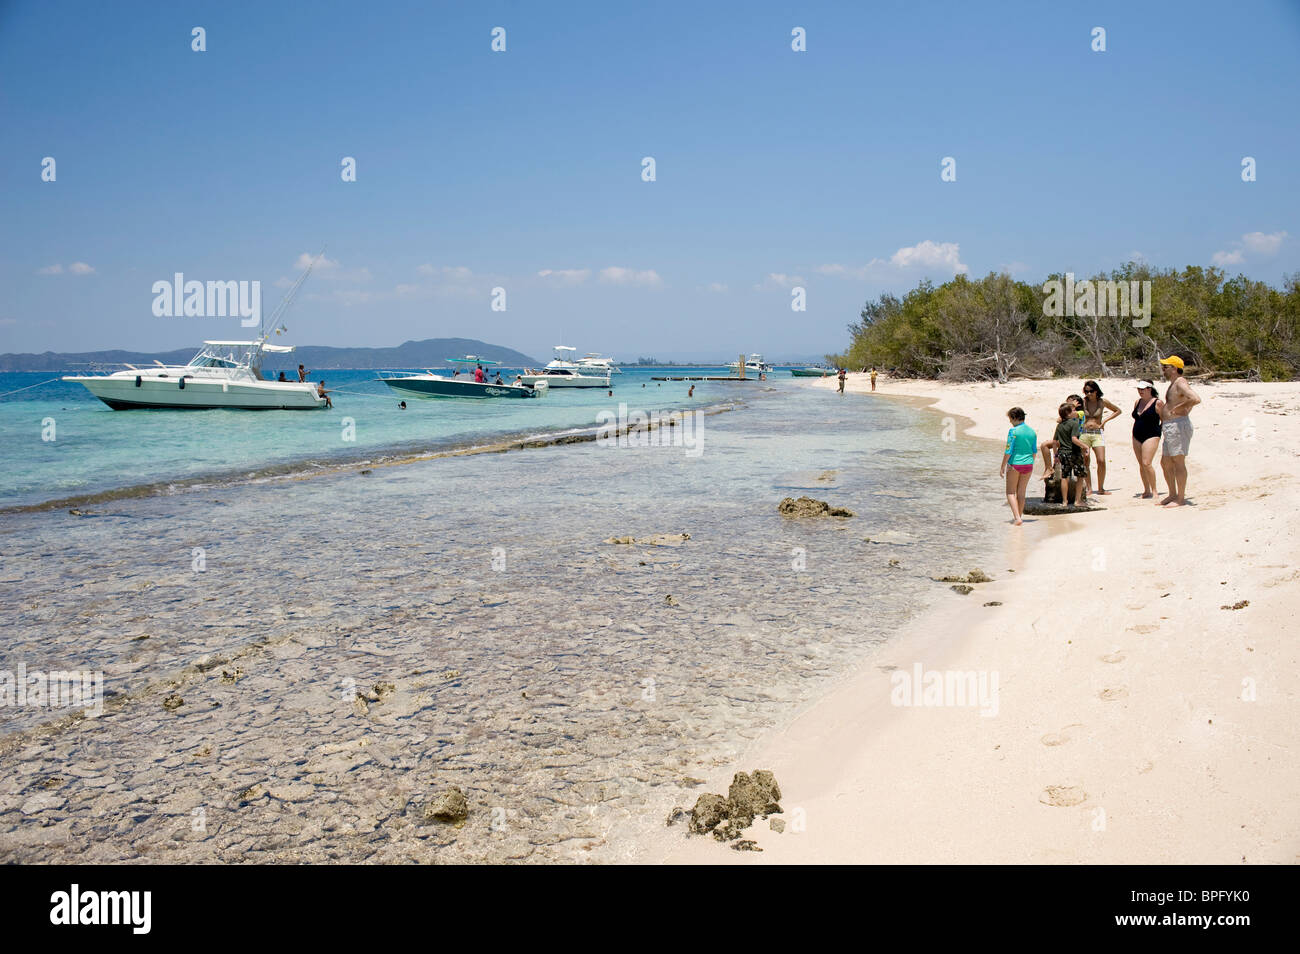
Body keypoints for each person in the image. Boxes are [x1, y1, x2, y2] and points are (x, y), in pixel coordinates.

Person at [1156, 356, 1200, 507]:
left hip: (1177, 426)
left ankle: (1180, 498)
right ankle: (1172, 494)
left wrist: (1180, 408)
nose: (1163, 369)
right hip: (1170, 426)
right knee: (1165, 462)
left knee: (1178, 462)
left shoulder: (1180, 382)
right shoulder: (1174, 384)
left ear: (1174, 368)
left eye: (1165, 367)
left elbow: (1195, 398)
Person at [1078, 381, 1122, 495]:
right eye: (1086, 391)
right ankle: (1089, 488)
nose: (1089, 394)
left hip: (1097, 433)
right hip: (1084, 433)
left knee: (1101, 460)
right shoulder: (1083, 401)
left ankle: (1101, 488)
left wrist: (1105, 421)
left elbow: (1118, 411)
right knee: (1085, 460)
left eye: (1091, 391)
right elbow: (1070, 410)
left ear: (1096, 391)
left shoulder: (1102, 402)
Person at [1040, 403, 1088, 505]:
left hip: (1062, 454)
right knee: (1080, 476)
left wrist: (1056, 455)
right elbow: (1074, 439)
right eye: (1073, 411)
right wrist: (1085, 446)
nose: (1075, 412)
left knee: (1064, 477)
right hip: (1074, 453)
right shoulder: (1074, 423)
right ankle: (1077, 501)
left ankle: (1064, 501)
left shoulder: (1060, 425)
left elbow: (1054, 442)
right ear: (1068, 413)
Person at [1001, 407, 1037, 526]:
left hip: (1015, 464)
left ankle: (1017, 518)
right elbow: (1034, 451)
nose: (1010, 421)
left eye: (1010, 419)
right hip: (1029, 464)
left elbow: (1008, 450)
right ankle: (1019, 516)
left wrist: (1002, 466)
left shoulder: (1013, 431)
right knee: (1021, 493)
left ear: (1015, 418)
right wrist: (1030, 462)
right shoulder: (1032, 431)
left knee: (1010, 493)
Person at [1130, 380, 1162, 498]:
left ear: (1149, 389)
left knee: (1147, 463)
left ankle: (1154, 490)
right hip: (1136, 435)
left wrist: (1159, 432)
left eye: (1142, 389)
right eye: (1139, 389)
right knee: (1141, 464)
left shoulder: (1158, 403)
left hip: (1152, 435)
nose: (1140, 391)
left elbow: (1164, 419)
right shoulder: (1137, 402)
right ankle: (1146, 490)